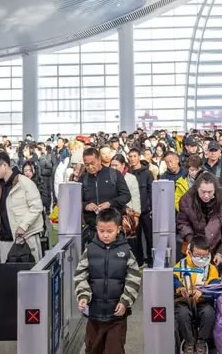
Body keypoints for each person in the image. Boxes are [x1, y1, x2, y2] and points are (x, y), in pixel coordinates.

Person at [74, 208, 141, 354]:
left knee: (114, 349)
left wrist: (125, 301)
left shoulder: (126, 251)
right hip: (94, 314)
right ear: (96, 229)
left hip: (117, 315)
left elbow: (134, 278)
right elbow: (80, 275)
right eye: (101, 231)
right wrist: (83, 296)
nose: (105, 235)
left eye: (109, 231)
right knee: (93, 348)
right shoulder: (90, 250)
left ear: (118, 229)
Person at [177, 173, 222, 278]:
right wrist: (192, 243)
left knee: (213, 278)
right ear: (197, 188)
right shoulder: (187, 199)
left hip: (216, 246)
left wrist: (221, 252)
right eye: (203, 192)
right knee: (193, 278)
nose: (206, 195)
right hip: (194, 243)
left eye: (210, 192)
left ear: (215, 189)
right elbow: (183, 223)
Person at [173, 235, 222, 354]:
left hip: (202, 301)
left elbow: (215, 287)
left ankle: (201, 341)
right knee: (182, 314)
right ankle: (189, 342)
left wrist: (202, 293)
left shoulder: (211, 269)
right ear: (189, 252)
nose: (201, 259)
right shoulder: (180, 266)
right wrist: (180, 288)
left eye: (205, 256)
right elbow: (173, 279)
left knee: (209, 313)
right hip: (183, 301)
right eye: (198, 255)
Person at [80, 148, 131, 241]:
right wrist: (86, 206)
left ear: (99, 159)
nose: (90, 167)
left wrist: (110, 203)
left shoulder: (114, 174)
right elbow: (76, 201)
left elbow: (126, 196)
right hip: (93, 229)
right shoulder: (83, 179)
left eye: (92, 163)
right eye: (87, 165)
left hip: (114, 228)